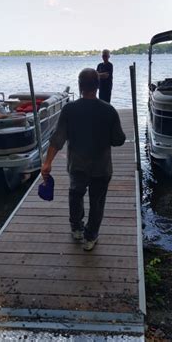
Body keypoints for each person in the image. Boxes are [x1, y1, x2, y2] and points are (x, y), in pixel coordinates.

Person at [41, 68, 126, 251]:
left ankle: (77, 229)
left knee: (75, 195)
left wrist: (47, 163)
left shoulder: (69, 109)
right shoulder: (109, 110)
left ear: (80, 86)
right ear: (97, 86)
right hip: (101, 168)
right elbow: (119, 140)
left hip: (77, 165)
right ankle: (90, 237)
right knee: (97, 202)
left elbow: (57, 139)